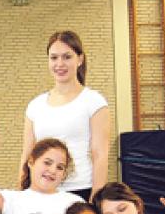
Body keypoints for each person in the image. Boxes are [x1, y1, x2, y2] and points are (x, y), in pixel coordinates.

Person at [20, 30, 110, 201]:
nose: (60, 64)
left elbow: (100, 154)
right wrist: (22, 193)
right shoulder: (35, 106)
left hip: (80, 189)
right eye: (54, 58)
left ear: (80, 59)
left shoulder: (94, 101)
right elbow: (27, 154)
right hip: (42, 190)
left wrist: (95, 200)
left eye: (67, 57)